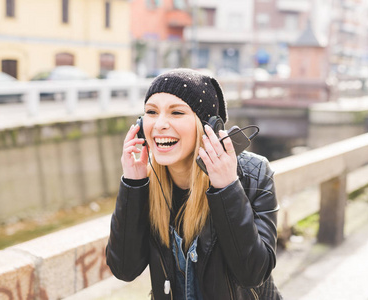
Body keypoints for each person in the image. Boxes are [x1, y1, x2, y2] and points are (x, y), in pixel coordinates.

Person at [106, 68, 282, 299]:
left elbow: (252, 274)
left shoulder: (253, 174)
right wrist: (133, 183)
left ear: (209, 126)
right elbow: (124, 270)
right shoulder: (147, 182)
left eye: (176, 112)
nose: (159, 124)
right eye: (151, 112)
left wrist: (227, 187)